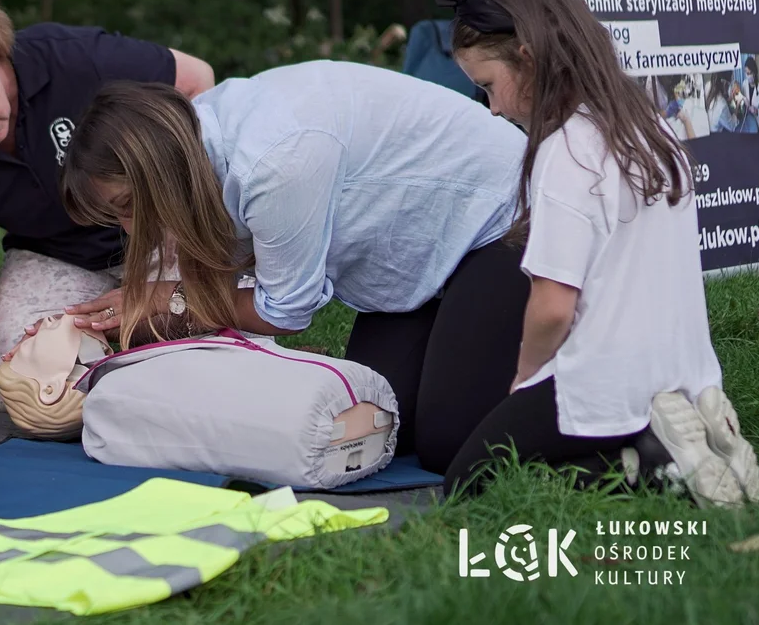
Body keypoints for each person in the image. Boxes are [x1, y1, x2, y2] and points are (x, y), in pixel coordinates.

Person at [54, 55, 534, 475]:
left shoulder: (271, 163)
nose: (133, 230)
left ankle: (590, 402)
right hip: (420, 255)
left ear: (158, 172)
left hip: (505, 224)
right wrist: (154, 308)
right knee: (373, 423)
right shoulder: (193, 141)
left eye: (129, 206)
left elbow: (283, 311)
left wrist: (167, 300)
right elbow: (229, 273)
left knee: (448, 444)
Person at [434, 0, 759, 505]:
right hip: (684, 371)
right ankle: (676, 447)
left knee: (468, 485)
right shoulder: (650, 126)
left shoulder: (565, 151)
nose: (491, 108)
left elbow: (555, 307)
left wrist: (526, 377)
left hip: (607, 378)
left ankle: (653, 469)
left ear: (528, 59)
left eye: (488, 87)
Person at [0, 0, 216, 410]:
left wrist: (175, 203)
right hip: (56, 256)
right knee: (8, 379)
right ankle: (126, 371)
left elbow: (197, 79)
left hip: (162, 233)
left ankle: (130, 354)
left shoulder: (70, 58)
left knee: (202, 322)